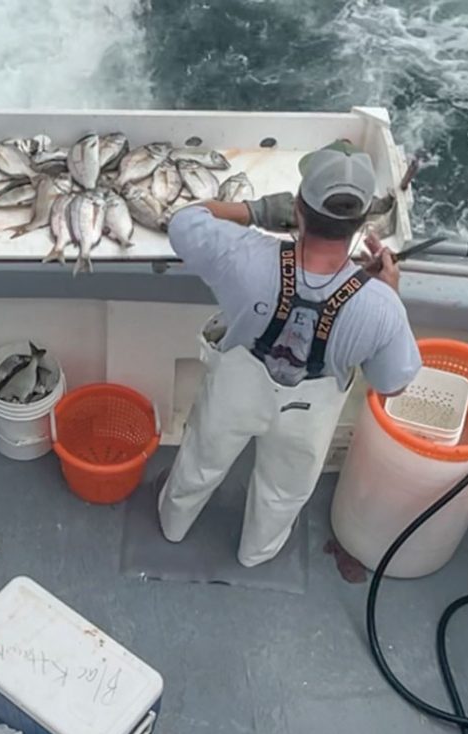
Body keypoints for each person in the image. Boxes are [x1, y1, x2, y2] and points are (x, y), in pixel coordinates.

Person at [158, 140, 422, 567]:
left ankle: (173, 525)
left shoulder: (242, 255)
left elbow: (184, 221)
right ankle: (254, 555)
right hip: (307, 416)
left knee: (200, 461)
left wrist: (255, 212)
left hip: (234, 394)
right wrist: (388, 293)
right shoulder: (381, 306)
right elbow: (394, 382)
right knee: (282, 491)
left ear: (297, 205)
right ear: (360, 224)